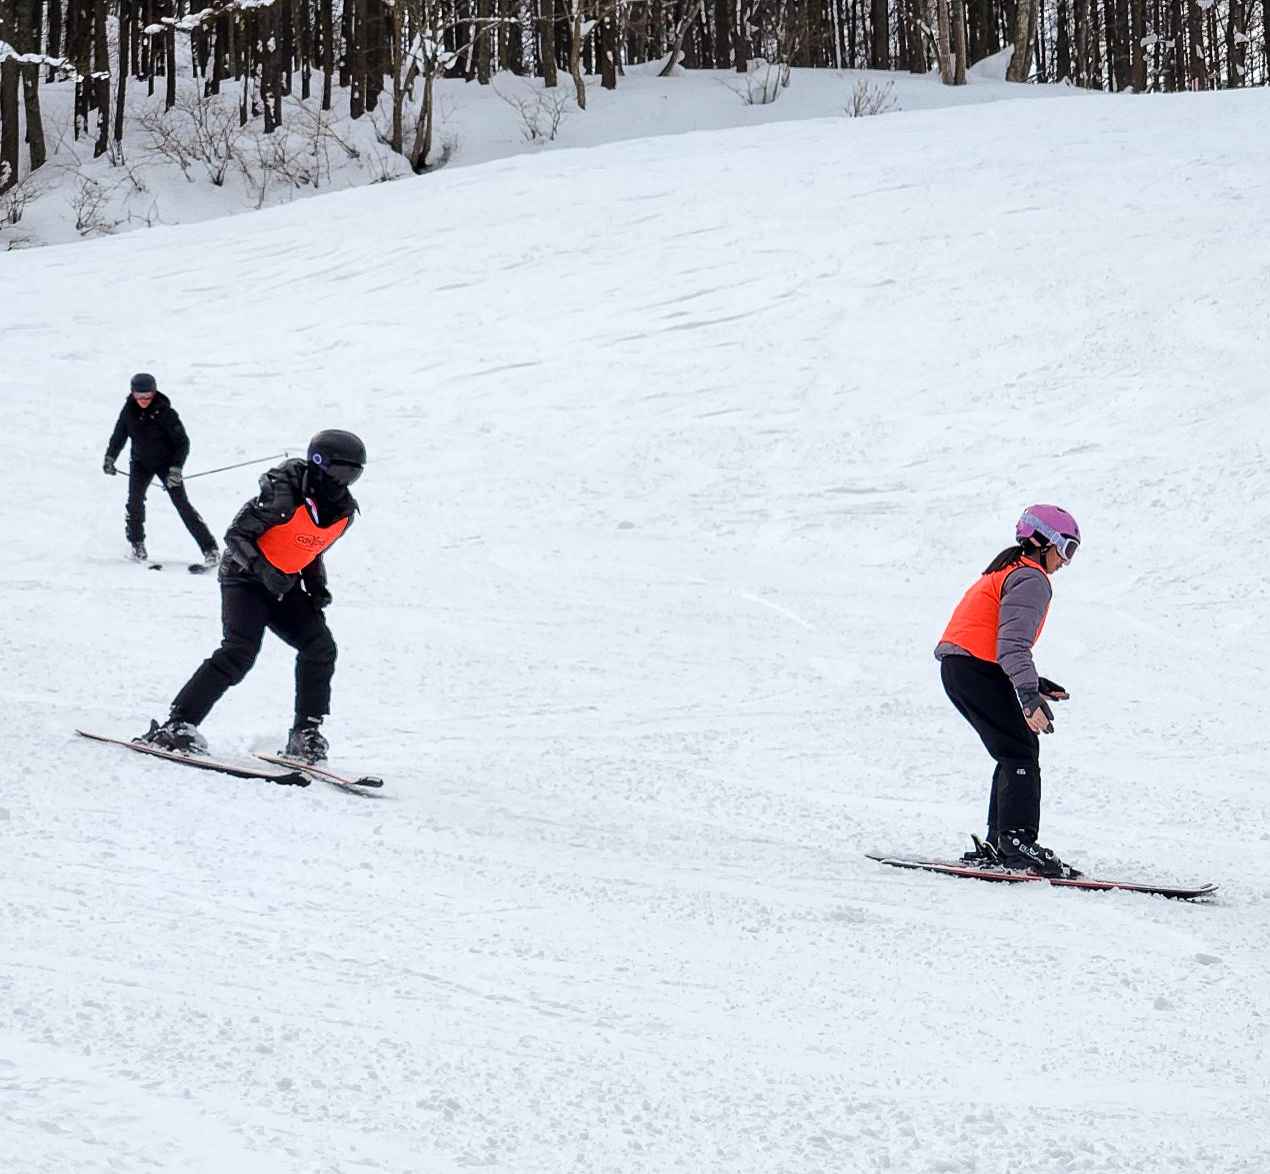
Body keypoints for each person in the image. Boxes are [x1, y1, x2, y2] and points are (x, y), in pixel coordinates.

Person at [137, 430, 366, 764]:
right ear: (318, 464)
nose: (343, 481)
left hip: (283, 585)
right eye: (339, 471)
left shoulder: (343, 512)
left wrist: (316, 586)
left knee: (320, 647)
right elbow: (236, 536)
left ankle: (305, 734)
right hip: (243, 578)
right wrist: (263, 570)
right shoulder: (282, 495)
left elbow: (310, 548)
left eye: (352, 474)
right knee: (239, 651)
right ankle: (176, 726)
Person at [933, 505, 1081, 877]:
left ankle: (1002, 842)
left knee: (1012, 749)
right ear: (1042, 541)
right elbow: (1012, 645)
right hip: (974, 669)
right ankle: (1016, 844)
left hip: (964, 667)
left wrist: (1033, 682)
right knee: (1019, 750)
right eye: (1066, 548)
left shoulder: (1006, 570)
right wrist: (1028, 696)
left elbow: (996, 642)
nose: (1066, 561)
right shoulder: (1031, 578)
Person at [103, 373, 219, 566]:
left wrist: (176, 469)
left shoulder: (165, 413)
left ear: (154, 393)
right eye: (139, 396)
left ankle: (210, 549)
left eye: (148, 396)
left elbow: (183, 443)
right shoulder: (128, 411)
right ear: (132, 394)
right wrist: (110, 458)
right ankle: (137, 545)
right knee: (134, 502)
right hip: (140, 463)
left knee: (182, 504)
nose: (143, 400)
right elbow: (119, 436)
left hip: (167, 464)